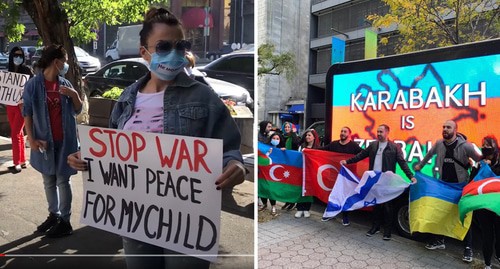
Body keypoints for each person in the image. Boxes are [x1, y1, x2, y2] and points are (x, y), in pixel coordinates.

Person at [67, 6, 246, 269]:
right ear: (144, 53)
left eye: (180, 46)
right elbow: (115, 151)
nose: (174, 54)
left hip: (187, 224)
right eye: (163, 47)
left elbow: (229, 149)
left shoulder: (203, 96)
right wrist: (87, 157)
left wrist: (236, 166)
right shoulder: (128, 97)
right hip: (135, 218)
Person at [22, 44, 83, 238]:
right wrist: (31, 139)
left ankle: (65, 221)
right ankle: (54, 215)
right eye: (64, 61)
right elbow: (27, 114)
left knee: (63, 180)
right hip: (44, 142)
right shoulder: (33, 85)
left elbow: (78, 110)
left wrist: (74, 95)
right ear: (55, 62)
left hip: (66, 142)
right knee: (48, 179)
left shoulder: (65, 84)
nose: (65, 65)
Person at [415, 120, 482, 262]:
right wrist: (419, 166)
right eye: (443, 127)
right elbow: (429, 154)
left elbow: (480, 159)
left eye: (448, 127)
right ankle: (440, 241)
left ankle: (468, 248)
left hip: (460, 186)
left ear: (455, 130)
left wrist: (481, 168)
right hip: (443, 185)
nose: (445, 129)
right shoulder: (439, 143)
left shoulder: (466, 146)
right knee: (442, 212)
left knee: (464, 215)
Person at [340, 124, 415, 241]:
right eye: (378, 132)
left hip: (387, 181)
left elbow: (402, 163)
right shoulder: (373, 145)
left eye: (381, 132)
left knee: (388, 206)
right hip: (374, 181)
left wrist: (411, 176)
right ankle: (375, 227)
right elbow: (360, 156)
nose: (379, 134)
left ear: (387, 132)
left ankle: (387, 231)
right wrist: (347, 162)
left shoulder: (394, 147)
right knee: (376, 205)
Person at [319, 126, 362, 225]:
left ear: (349, 134)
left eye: (345, 132)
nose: (342, 133)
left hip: (347, 177)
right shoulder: (334, 144)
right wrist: (308, 150)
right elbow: (321, 150)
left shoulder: (354, 146)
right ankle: (330, 214)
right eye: (341, 131)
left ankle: (345, 217)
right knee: (333, 194)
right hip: (334, 174)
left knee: (345, 196)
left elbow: (363, 154)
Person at [469, 136, 500, 269]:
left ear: (495, 147)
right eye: (483, 145)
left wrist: (490, 170)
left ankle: (499, 257)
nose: (485, 147)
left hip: (498, 207)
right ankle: (487, 264)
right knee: (487, 236)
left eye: (488, 145)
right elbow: (472, 181)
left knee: (499, 236)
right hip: (483, 207)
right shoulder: (479, 163)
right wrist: (479, 169)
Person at [7, 46, 33, 173]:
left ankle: (16, 162)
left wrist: (25, 100)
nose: (18, 58)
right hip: (10, 105)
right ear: (11, 56)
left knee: (15, 133)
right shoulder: (8, 71)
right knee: (18, 133)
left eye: (20, 55)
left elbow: (33, 87)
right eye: (16, 55)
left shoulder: (27, 71)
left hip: (22, 107)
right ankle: (22, 160)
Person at [295, 129, 320, 218]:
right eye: (306, 135)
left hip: (311, 173)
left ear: (314, 137)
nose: (307, 137)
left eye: (309, 135)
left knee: (309, 190)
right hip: (302, 171)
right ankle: (299, 208)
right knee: (300, 190)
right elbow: (297, 158)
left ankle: (306, 209)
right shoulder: (301, 147)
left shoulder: (317, 148)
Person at [258, 132, 284, 216]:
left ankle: (273, 206)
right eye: (274, 138)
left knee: (271, 189)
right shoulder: (265, 147)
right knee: (263, 188)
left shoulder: (281, 149)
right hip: (264, 171)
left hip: (274, 173)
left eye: (277, 139)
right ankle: (264, 204)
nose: (275, 140)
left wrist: (283, 151)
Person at [281, 121, 300, 210]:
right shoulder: (281, 137)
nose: (287, 129)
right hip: (284, 163)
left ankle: (292, 202)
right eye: (285, 127)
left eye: (288, 127)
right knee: (285, 184)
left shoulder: (294, 137)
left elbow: (296, 147)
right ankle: (287, 201)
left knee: (291, 184)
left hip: (292, 163)